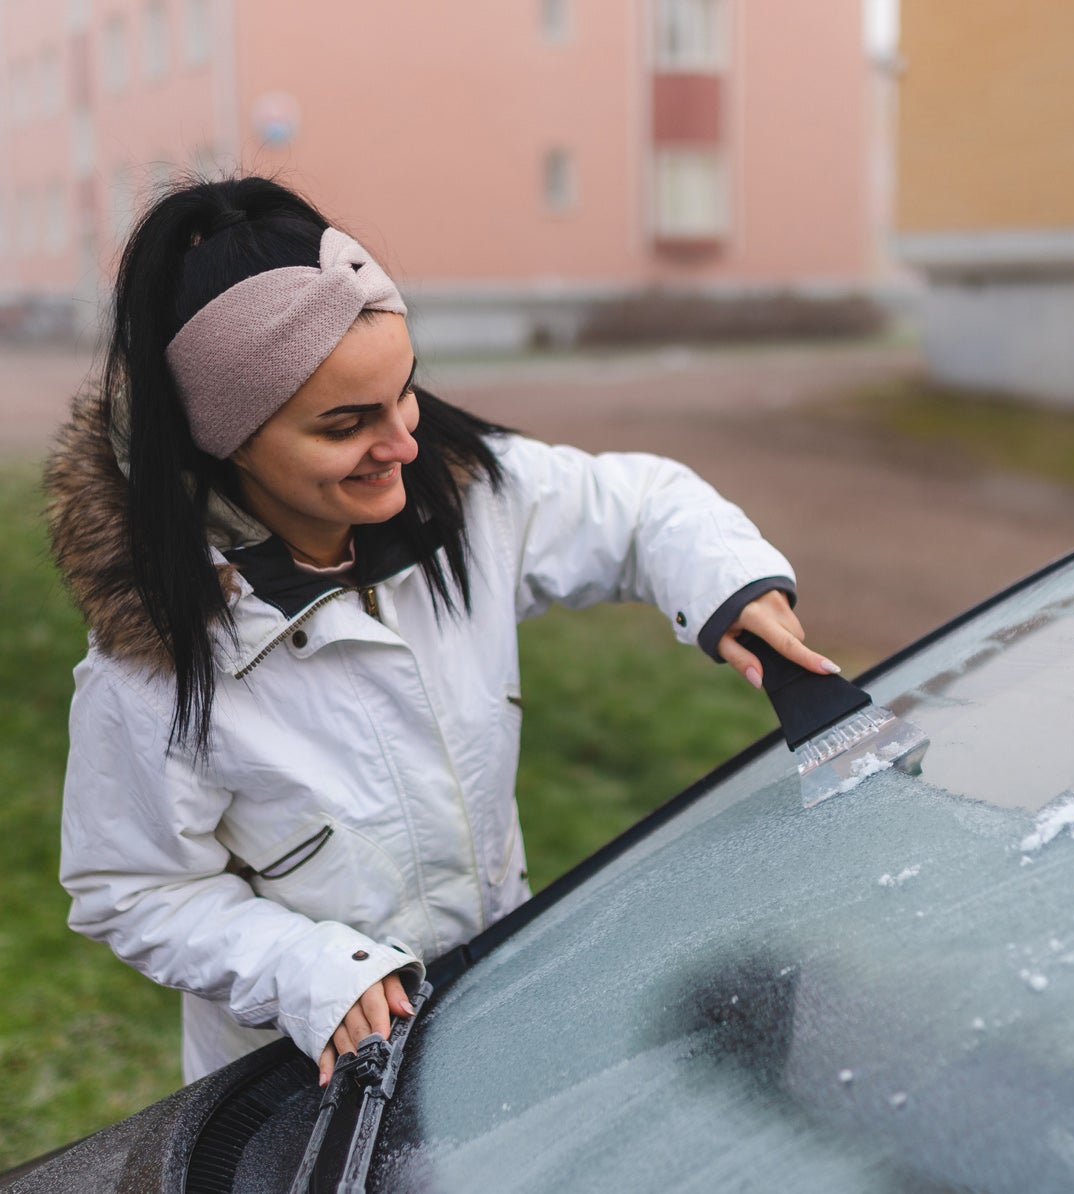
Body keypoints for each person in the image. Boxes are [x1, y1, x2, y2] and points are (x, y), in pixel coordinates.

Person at [46, 176, 834, 1086]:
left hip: (498, 1020)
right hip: (307, 1096)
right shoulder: (155, 668)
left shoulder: (467, 504)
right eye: (346, 424)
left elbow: (638, 506)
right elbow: (133, 889)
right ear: (222, 439)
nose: (404, 446)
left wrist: (726, 583)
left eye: (403, 393)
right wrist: (310, 974)